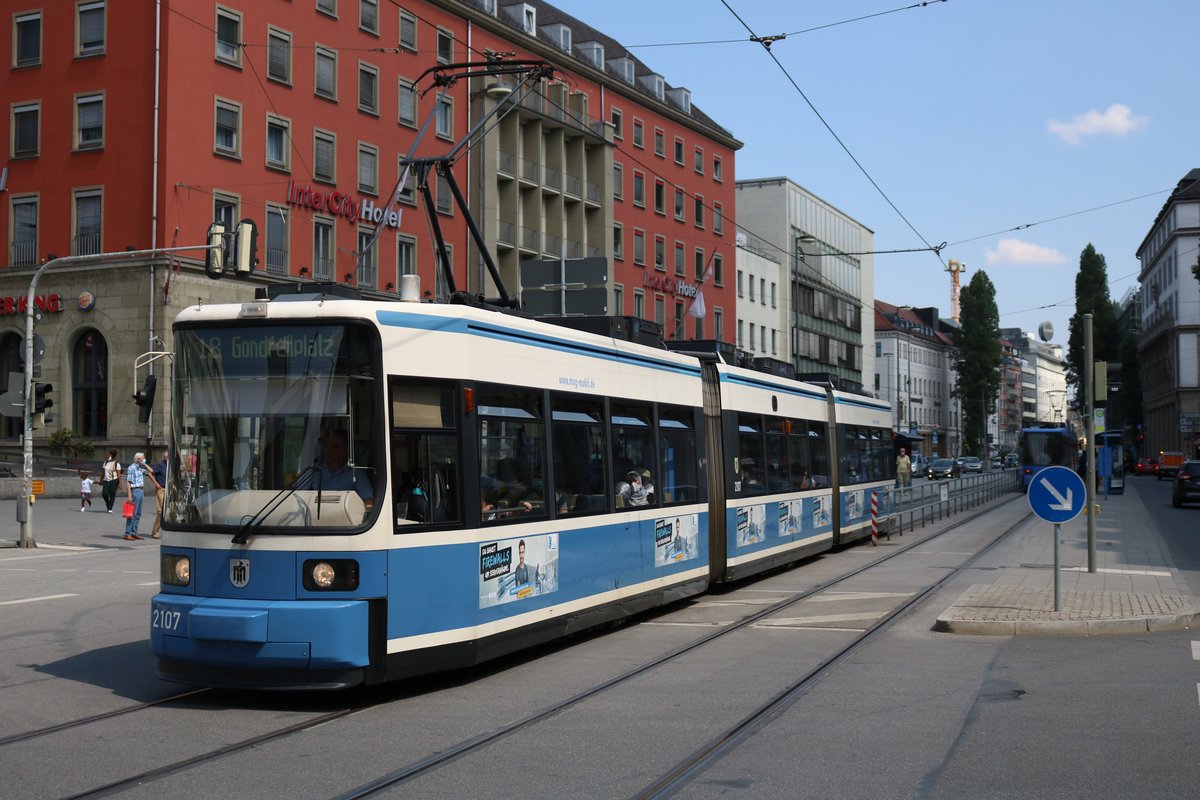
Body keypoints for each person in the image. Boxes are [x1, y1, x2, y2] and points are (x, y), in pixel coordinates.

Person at [308, 430, 374, 507]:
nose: (332, 450)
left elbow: (369, 502)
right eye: (330, 446)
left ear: (347, 450)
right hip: (314, 516)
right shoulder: (315, 470)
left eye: (337, 446)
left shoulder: (356, 472)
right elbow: (297, 493)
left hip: (344, 518)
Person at [124, 452, 149, 541]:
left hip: (141, 490)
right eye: (143, 458)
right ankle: (128, 533)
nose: (144, 459)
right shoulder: (132, 468)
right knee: (132, 513)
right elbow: (128, 482)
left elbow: (151, 471)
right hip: (135, 490)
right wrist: (129, 496)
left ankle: (134, 532)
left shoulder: (140, 468)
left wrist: (144, 464)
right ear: (138, 459)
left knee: (138, 513)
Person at [151, 449, 168, 539]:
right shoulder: (159, 465)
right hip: (161, 489)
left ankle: (166, 530)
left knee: (168, 512)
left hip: (169, 490)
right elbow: (149, 472)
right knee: (160, 512)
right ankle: (155, 531)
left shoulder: (170, 466)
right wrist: (156, 483)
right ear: (165, 458)